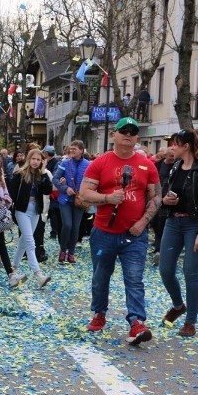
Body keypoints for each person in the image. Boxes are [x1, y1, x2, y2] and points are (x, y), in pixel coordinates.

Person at [79, 117, 160, 346]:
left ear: (137, 137)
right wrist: (107, 198)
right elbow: (84, 193)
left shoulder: (148, 165)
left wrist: (143, 222)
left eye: (133, 131)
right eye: (123, 130)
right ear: (113, 134)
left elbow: (155, 197)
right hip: (104, 232)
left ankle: (137, 323)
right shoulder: (100, 163)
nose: (128, 134)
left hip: (135, 235)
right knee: (100, 277)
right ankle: (99, 314)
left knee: (134, 279)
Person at [158, 129, 198, 338]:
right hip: (174, 222)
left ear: (186, 146)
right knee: (165, 270)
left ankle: (190, 321)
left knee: (190, 273)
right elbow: (166, 192)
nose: (171, 147)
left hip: (195, 225)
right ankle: (178, 305)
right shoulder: (175, 167)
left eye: (175, 143)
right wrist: (166, 200)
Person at [8, 148, 53, 288]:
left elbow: (48, 190)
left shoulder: (41, 175)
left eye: (38, 159)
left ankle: (12, 271)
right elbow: (11, 193)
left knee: (23, 242)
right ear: (28, 159)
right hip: (21, 210)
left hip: (35, 210)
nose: (35, 162)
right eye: (33, 159)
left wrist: (44, 171)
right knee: (30, 241)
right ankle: (38, 275)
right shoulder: (20, 174)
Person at [0, 150, 26, 288]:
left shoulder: (0, 175)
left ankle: (11, 274)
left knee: (1, 243)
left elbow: (5, 191)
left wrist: (7, 199)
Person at [52, 140, 90, 264]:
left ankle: (71, 253)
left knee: (75, 227)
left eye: (74, 149)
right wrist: (65, 188)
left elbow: (92, 181)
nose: (71, 150)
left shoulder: (88, 164)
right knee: (67, 224)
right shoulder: (65, 163)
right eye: (70, 148)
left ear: (81, 150)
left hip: (79, 200)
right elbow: (55, 178)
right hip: (65, 199)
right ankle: (63, 250)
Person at [151, 146, 176, 266]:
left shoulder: (178, 165)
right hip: (157, 197)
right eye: (171, 155)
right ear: (165, 155)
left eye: (174, 155)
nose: (173, 158)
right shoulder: (157, 165)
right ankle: (158, 247)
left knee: (165, 225)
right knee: (156, 224)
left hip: (170, 198)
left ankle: (160, 250)